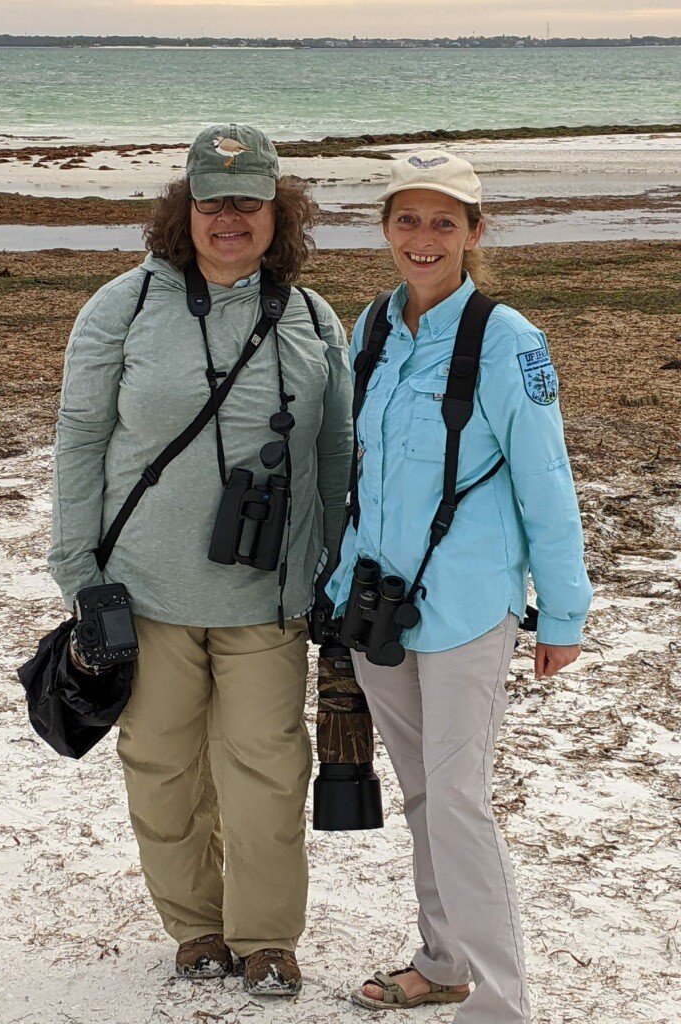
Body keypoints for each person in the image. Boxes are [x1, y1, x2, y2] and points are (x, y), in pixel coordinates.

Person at [47, 123, 353, 996]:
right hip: (142, 592)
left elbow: (334, 456)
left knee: (265, 770)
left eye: (249, 202)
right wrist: (78, 568)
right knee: (163, 768)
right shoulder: (123, 307)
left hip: (268, 597)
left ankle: (265, 937)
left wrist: (333, 570)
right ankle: (197, 929)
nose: (230, 218)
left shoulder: (308, 315)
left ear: (278, 212)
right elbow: (79, 441)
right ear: (182, 210)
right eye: (212, 201)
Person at [325, 150, 592, 1022]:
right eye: (408, 219)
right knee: (422, 797)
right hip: (378, 609)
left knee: (460, 805)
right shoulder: (370, 326)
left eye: (445, 221)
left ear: (476, 234)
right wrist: (337, 587)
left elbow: (545, 480)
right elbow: (364, 474)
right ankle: (442, 964)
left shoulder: (508, 338)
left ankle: (500, 1003)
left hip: (470, 610)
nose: (424, 238)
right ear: (386, 230)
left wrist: (563, 610)